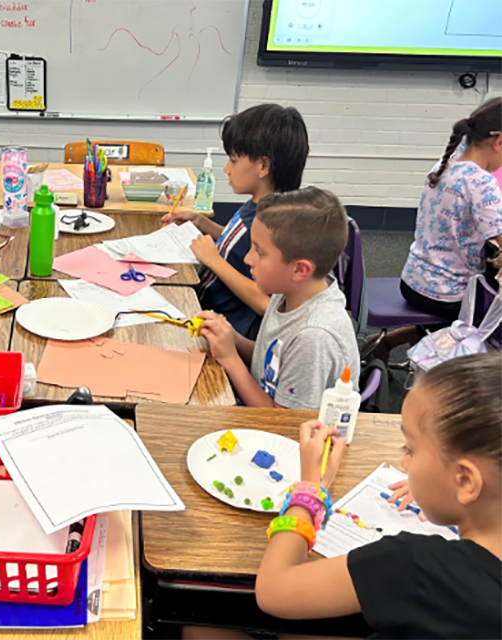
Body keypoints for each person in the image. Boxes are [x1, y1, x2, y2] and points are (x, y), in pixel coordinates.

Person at [252, 353, 501, 639]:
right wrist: (444, 492)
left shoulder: (414, 565)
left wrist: (309, 489)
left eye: (410, 450)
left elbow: (273, 591)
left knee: (201, 626)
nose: (405, 465)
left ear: (466, 480)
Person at [198, 187, 359, 410]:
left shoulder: (313, 337)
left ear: (299, 270)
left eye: (259, 252)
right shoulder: (289, 292)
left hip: (287, 434)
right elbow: (271, 358)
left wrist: (230, 359)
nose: (247, 259)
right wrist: (233, 338)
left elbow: (282, 422)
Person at [162, 103, 309, 337]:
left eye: (233, 159)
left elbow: (267, 305)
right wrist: (201, 222)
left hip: (227, 329)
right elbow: (236, 243)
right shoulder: (256, 203)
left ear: (263, 166)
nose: (226, 169)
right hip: (206, 304)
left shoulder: (274, 224)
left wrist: (213, 260)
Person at [372, 97, 502, 360]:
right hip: (449, 296)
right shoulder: (481, 183)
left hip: (413, 281)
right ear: (498, 142)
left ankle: (389, 342)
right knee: (493, 311)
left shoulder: (446, 165)